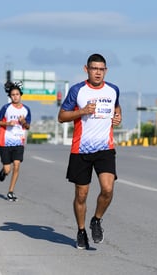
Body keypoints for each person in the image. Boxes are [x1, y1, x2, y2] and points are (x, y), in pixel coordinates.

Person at [58, 53, 122, 249]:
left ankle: (96, 220)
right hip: (81, 149)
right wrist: (82, 111)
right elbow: (62, 116)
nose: (98, 72)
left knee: (108, 189)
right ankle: (81, 230)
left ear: (106, 71)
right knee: (81, 195)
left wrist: (118, 118)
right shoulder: (77, 90)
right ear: (86, 69)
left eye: (101, 69)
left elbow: (116, 109)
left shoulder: (113, 90)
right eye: (94, 68)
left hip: (105, 148)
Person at [0, 81, 31, 202]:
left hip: (18, 142)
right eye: (13, 94)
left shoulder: (26, 110)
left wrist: (23, 123)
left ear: (20, 95)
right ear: (10, 96)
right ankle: (4, 171)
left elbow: (28, 126)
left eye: (17, 94)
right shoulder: (6, 108)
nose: (15, 96)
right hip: (5, 142)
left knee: (16, 165)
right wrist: (7, 123)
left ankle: (10, 191)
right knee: (8, 169)